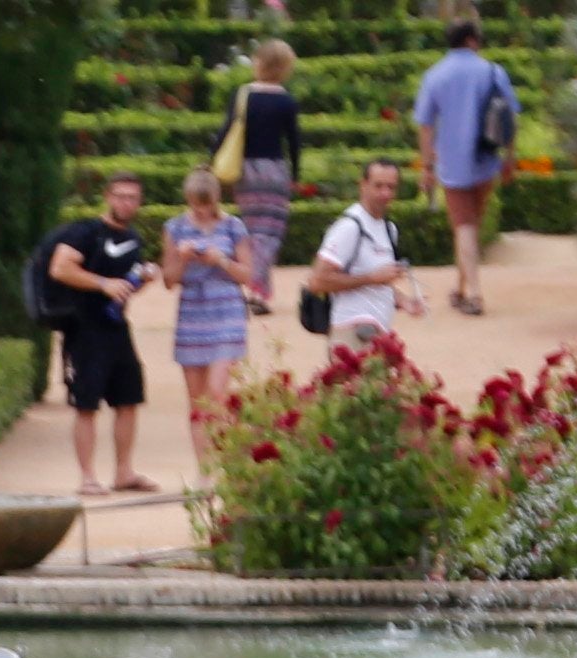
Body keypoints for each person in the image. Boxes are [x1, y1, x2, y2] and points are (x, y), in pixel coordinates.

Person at [44, 174, 157, 496]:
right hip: (84, 328)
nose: (126, 203)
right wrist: (102, 284)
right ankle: (88, 476)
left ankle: (123, 472)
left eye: (133, 197)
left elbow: (124, 283)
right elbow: (61, 268)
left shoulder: (133, 238)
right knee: (86, 404)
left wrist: (143, 279)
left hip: (117, 328)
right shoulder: (85, 231)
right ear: (108, 196)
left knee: (129, 399)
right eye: (121, 196)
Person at [412, 15, 519, 315]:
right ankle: (462, 288)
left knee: (464, 225)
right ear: (472, 40)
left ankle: (472, 292)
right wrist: (510, 157)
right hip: (486, 156)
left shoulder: (435, 75)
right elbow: (511, 117)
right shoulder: (492, 71)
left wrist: (426, 166)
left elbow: (425, 125)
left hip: (453, 159)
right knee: (471, 223)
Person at [166, 167, 259, 440]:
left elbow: (248, 275)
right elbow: (169, 280)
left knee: (217, 395)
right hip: (192, 312)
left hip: (226, 310)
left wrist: (220, 260)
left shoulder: (233, 227)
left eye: (205, 205)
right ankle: (204, 473)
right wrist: (183, 258)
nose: (201, 211)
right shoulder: (175, 228)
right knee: (197, 403)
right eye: (196, 204)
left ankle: (223, 462)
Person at [228, 40, 304, 329]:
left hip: (245, 170)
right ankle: (254, 290)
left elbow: (227, 130)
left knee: (252, 230)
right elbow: (294, 142)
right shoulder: (286, 101)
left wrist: (212, 166)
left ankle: (260, 290)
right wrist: (295, 174)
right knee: (269, 233)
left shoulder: (244, 95)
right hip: (273, 170)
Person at [314, 158, 422, 340]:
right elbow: (318, 281)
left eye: (391, 187)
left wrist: (403, 301)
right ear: (363, 185)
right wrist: (371, 278)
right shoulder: (349, 227)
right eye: (378, 186)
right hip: (351, 331)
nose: (385, 193)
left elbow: (376, 285)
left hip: (379, 331)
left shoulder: (388, 229)